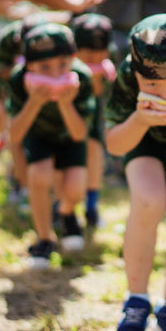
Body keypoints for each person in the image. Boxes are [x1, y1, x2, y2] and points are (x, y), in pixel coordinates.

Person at [105, 14, 166, 331]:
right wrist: (140, 118)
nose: (163, 93)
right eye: (152, 85)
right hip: (142, 140)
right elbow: (114, 143)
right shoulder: (127, 74)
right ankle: (136, 301)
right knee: (148, 199)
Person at [7, 23, 97, 266]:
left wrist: (66, 104)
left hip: (70, 138)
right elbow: (14, 135)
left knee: (75, 190)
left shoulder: (83, 78)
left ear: (73, 59)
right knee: (39, 176)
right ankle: (44, 238)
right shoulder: (18, 80)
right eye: (44, 67)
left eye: (62, 65)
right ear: (29, 65)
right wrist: (34, 102)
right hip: (39, 136)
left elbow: (80, 134)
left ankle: (66, 213)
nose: (55, 74)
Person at [71, 13, 115, 227]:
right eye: (89, 55)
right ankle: (63, 208)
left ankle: (91, 207)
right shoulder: (66, 66)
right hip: (65, 125)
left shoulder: (107, 68)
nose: (96, 59)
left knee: (95, 154)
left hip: (93, 124)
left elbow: (99, 93)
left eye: (100, 53)